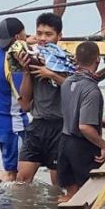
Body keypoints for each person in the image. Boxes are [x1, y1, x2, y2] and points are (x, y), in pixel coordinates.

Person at [16, 13, 70, 185]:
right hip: (38, 125)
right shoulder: (33, 58)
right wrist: (26, 71)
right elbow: (24, 104)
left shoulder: (66, 60)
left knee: (58, 183)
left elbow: (75, 89)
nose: (42, 38)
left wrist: (52, 74)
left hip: (60, 126)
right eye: (39, 33)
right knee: (21, 180)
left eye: (48, 34)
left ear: (59, 36)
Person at [58, 41, 105, 201]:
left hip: (64, 143)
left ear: (76, 58)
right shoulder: (92, 89)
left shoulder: (67, 83)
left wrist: (99, 120)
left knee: (70, 198)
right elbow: (84, 126)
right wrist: (103, 145)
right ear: (98, 59)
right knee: (88, 198)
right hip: (82, 148)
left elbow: (72, 113)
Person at [0, 17, 29, 183]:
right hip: (13, 123)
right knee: (17, 174)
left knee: (9, 165)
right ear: (18, 37)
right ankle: (10, 207)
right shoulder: (13, 62)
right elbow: (24, 99)